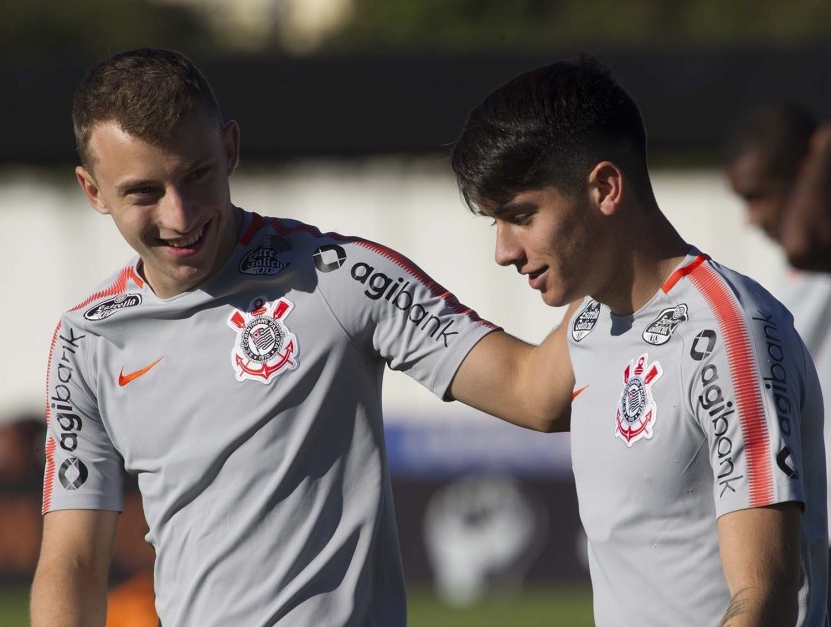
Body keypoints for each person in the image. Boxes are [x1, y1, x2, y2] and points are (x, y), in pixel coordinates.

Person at [30, 48, 575, 626]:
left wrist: (618, 256)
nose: (181, 214)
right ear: (93, 192)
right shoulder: (86, 340)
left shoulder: (340, 277)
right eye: (144, 192)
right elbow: (74, 560)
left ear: (230, 150)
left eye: (198, 175)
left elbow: (532, 392)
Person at [450, 56, 829, 625]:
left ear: (605, 187)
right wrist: (377, 301)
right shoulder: (591, 318)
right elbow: (524, 389)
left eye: (521, 216)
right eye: (495, 224)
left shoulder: (728, 334)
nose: (504, 250)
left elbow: (764, 600)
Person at [723, 104, 831, 627]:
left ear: (805, 177)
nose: (752, 217)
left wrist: (828, 150)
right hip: (823, 532)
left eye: (758, 195)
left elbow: (807, 240)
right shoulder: (795, 273)